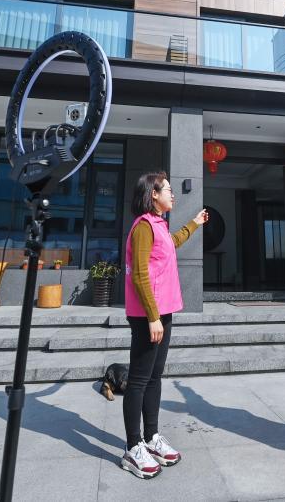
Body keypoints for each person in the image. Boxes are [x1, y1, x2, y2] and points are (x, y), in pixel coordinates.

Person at [121, 170, 208, 479]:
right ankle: (133, 447)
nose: (173, 194)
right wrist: (152, 316)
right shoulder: (143, 226)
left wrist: (194, 223)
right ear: (153, 194)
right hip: (149, 315)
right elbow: (139, 274)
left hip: (163, 312)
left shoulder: (159, 225)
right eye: (168, 189)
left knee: (154, 377)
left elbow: (173, 242)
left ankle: (151, 437)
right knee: (139, 380)